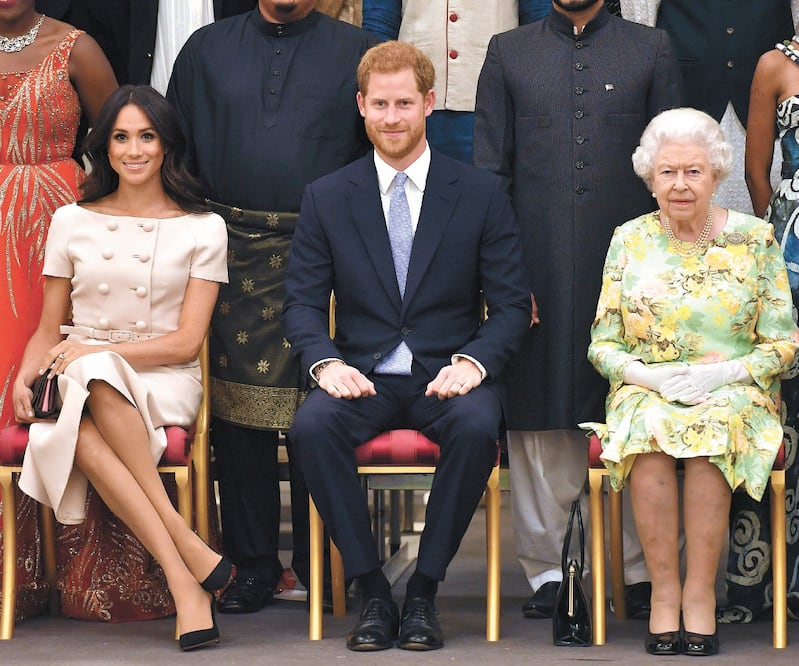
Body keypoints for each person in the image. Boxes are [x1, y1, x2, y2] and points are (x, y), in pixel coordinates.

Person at [283, 40, 530, 651]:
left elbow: (510, 307)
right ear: (361, 106)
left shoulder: (477, 193)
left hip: (447, 375)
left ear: (429, 102)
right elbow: (303, 305)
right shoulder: (327, 195)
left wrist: (473, 363)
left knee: (477, 425)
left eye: (404, 104)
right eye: (379, 105)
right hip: (361, 374)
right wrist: (324, 362)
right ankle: (371, 588)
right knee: (311, 428)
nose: (392, 118)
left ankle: (422, 590)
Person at [472, 0, 683, 621]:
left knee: (637, 413)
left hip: (633, 272)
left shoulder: (651, 49)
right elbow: (491, 174)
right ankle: (547, 571)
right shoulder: (509, 52)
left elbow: (670, 169)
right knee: (540, 415)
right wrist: (507, 280)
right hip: (534, 268)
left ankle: (643, 571)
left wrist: (663, 277)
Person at [167, 0, 377, 614]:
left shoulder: (354, 52)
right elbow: (175, 152)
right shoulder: (207, 49)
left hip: (327, 255)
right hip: (226, 253)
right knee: (236, 418)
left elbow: (375, 154)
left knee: (325, 410)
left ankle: (325, 561)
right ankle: (254, 564)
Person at [11, 84, 232, 651]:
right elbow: (49, 327)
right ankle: (187, 565)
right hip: (81, 370)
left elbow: (186, 343)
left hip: (163, 377)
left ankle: (187, 570)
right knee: (80, 402)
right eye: (121, 137)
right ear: (105, 148)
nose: (134, 150)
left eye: (147, 137)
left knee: (89, 390)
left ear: (166, 146)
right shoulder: (71, 220)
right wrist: (22, 375)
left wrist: (95, 354)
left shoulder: (203, 227)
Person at [582, 107, 799, 656]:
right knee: (652, 434)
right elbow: (602, 344)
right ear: (650, 176)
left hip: (733, 389)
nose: (680, 184)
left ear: (717, 173)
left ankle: (701, 595)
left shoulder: (755, 239)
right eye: (668, 172)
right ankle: (664, 594)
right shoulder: (627, 240)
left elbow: (783, 341)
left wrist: (726, 372)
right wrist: (649, 378)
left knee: (711, 434)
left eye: (694, 171)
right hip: (647, 386)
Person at [0, 0, 116, 622]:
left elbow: (122, 135)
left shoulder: (78, 46)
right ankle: (12, 577)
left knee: (55, 378)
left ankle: (82, 573)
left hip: (57, 226)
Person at [745, 29, 799, 622]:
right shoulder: (774, 64)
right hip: (790, 258)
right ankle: (765, 581)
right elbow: (756, 171)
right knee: (780, 405)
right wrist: (775, 255)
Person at [361, 0, 551, 163]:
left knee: (487, 194)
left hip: (498, 100)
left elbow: (539, 22)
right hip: (412, 102)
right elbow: (379, 24)